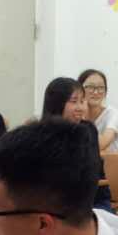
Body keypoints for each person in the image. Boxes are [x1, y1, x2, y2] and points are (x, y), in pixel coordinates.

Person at [42, 77, 112, 210]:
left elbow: (92, 172)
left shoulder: (88, 129)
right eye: (74, 102)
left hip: (92, 200)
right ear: (57, 104)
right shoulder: (42, 133)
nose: (80, 107)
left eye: (82, 101)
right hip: (52, 201)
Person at [79, 69, 118, 152]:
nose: (96, 92)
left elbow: (101, 144)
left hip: (110, 160)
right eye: (90, 87)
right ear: (79, 90)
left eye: (101, 87)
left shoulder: (113, 113)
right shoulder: (75, 113)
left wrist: (85, 118)